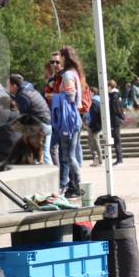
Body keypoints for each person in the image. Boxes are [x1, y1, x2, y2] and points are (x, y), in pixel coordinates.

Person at [52, 46, 85, 197]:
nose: (58, 61)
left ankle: (78, 185)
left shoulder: (67, 75)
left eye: (60, 57)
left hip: (68, 119)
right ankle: (76, 185)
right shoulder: (75, 73)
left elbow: (70, 96)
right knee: (71, 154)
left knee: (68, 155)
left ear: (65, 58)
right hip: (74, 118)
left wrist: (56, 97)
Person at [9, 73, 52, 164]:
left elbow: (22, 117)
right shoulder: (29, 90)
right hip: (47, 123)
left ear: (14, 86)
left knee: (12, 128)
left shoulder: (22, 96)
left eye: (8, 85)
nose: (7, 88)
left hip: (40, 125)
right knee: (45, 152)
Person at [107, 79, 125, 165]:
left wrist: (121, 117)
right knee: (116, 139)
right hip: (115, 119)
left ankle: (120, 159)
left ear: (110, 86)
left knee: (116, 139)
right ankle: (119, 159)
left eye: (107, 86)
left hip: (115, 120)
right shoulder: (114, 95)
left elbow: (117, 109)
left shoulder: (114, 96)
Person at [86, 87, 103, 166]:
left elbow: (94, 115)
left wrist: (91, 125)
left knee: (93, 143)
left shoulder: (94, 102)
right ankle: (98, 160)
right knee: (95, 142)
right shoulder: (100, 100)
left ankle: (98, 160)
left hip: (94, 126)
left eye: (89, 92)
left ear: (93, 92)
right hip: (98, 125)